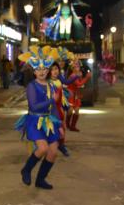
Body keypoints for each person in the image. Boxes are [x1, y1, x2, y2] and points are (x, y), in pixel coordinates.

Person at [15, 46, 64, 189]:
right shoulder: (31, 86)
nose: (42, 72)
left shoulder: (51, 85)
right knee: (42, 148)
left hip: (49, 121)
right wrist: (51, 100)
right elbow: (34, 106)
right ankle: (26, 169)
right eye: (38, 70)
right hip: (35, 121)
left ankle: (40, 180)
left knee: (53, 152)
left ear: (47, 70)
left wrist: (59, 125)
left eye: (44, 69)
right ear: (34, 72)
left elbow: (53, 108)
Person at [66, 60, 92, 132]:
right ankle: (68, 124)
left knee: (77, 111)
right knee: (70, 111)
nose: (78, 67)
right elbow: (79, 84)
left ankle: (73, 126)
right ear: (72, 68)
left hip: (76, 94)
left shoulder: (77, 74)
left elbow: (80, 85)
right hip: (71, 94)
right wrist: (86, 77)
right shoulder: (73, 76)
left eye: (78, 66)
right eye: (76, 66)